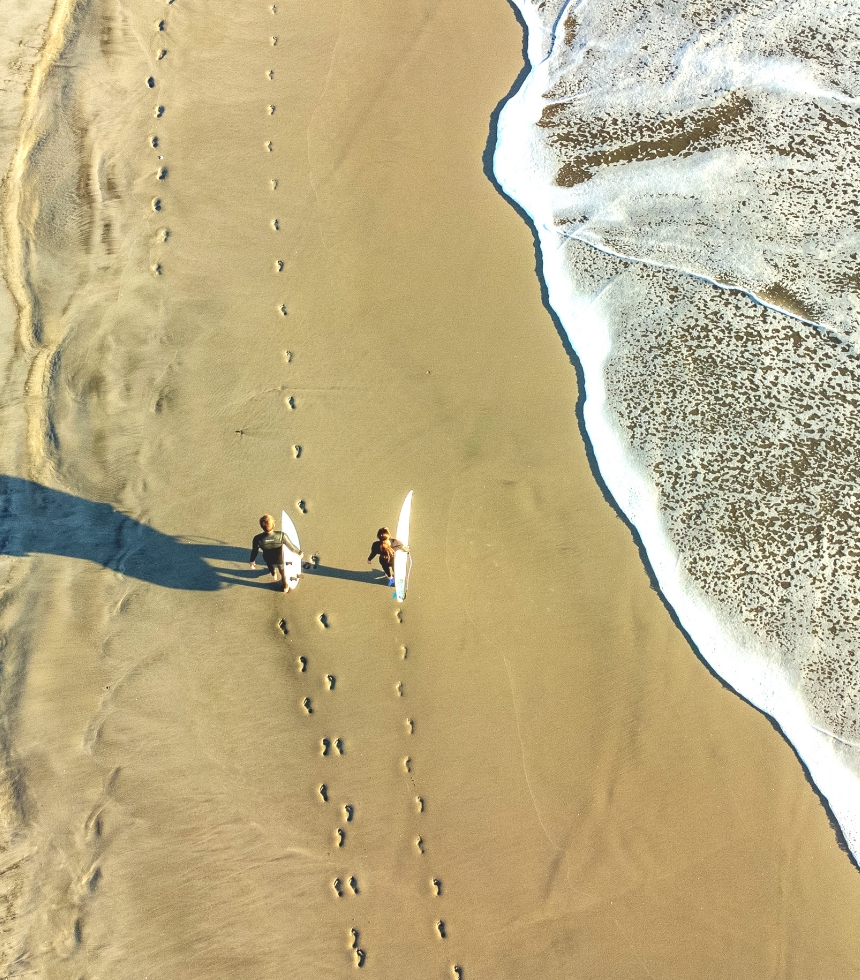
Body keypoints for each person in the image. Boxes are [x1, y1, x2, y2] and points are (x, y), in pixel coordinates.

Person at [250, 514, 302, 592]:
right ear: (273, 525)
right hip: (279, 559)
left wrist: (252, 561)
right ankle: (285, 586)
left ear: (262, 526)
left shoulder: (257, 538)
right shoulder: (281, 535)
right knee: (283, 572)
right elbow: (292, 548)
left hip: (267, 558)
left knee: (270, 566)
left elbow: (254, 551)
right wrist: (299, 552)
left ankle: (274, 574)